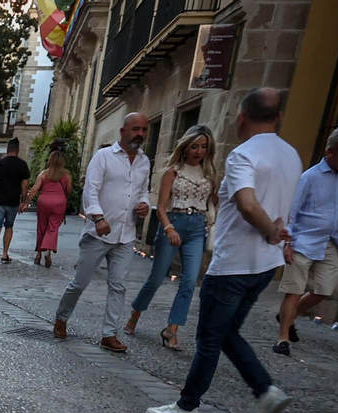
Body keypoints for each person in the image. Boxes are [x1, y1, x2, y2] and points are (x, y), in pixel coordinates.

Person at [147, 88, 298, 413]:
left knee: (209, 338)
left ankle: (187, 407)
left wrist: (270, 231)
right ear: (278, 117)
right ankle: (265, 390)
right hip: (265, 266)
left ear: (241, 118)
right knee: (226, 332)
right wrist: (279, 237)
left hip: (234, 264)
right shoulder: (291, 155)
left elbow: (247, 203)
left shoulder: (244, 154)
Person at [53, 113, 150, 352]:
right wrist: (98, 218)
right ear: (123, 131)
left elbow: (143, 191)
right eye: (135, 129)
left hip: (125, 235)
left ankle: (109, 334)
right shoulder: (103, 157)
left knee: (118, 286)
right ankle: (61, 317)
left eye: (144, 130)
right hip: (98, 233)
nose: (140, 134)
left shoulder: (144, 161)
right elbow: (91, 190)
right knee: (80, 283)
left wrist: (145, 204)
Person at [125, 125, 220, 352]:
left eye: (203, 147)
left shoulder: (209, 174)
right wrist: (169, 229)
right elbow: (161, 207)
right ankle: (135, 313)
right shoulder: (173, 172)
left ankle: (172, 329)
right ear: (185, 147)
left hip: (197, 226)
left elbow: (211, 202)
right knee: (156, 278)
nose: (198, 151)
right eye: (194, 146)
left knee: (189, 281)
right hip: (173, 222)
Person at [273, 125, 338, 355]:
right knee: (294, 290)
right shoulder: (309, 177)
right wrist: (288, 243)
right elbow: (292, 210)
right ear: (331, 151)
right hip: (303, 240)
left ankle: (287, 316)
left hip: (330, 240)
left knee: (324, 290)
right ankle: (283, 339)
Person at [0, 137, 31, 266]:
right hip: (13, 201)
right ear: (18, 149)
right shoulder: (22, 164)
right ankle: (5, 254)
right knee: (9, 226)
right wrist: (23, 201)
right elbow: (25, 185)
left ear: (7, 149)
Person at [25, 150, 71, 268]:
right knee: (53, 228)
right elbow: (69, 190)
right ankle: (48, 251)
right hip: (59, 202)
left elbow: (34, 189)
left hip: (44, 201)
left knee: (41, 227)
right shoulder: (66, 175)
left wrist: (26, 202)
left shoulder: (44, 174)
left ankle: (38, 254)